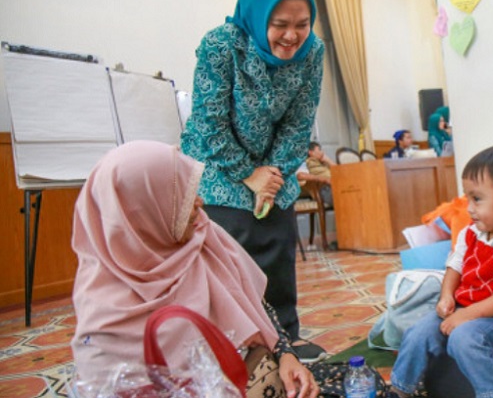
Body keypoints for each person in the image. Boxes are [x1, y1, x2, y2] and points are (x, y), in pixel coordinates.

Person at [70, 141, 318, 398]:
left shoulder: (204, 238)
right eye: (181, 198)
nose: (199, 203)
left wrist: (286, 355)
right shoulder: (102, 319)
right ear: (141, 211)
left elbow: (258, 306)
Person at [180, 0, 326, 361]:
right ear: (258, 13)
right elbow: (208, 122)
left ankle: (285, 335)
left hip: (272, 165)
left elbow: (299, 122)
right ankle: (240, 338)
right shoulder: (221, 45)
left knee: (278, 224)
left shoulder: (313, 52)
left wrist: (272, 176)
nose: (292, 36)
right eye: (280, 23)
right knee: (236, 232)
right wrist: (248, 175)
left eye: (302, 23)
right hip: (217, 163)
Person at [389, 143, 493, 398]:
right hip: (464, 309)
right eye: (467, 197)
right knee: (418, 332)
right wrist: (446, 296)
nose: (469, 208)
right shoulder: (472, 232)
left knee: (465, 338)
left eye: (477, 199)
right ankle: (400, 388)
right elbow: (455, 265)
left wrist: (467, 316)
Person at [296, 141, 335, 207]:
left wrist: (328, 160)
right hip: (323, 189)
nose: (322, 152)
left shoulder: (323, 162)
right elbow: (300, 175)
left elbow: (340, 172)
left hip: (335, 186)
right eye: (319, 150)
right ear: (310, 152)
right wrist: (323, 179)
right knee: (344, 198)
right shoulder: (305, 162)